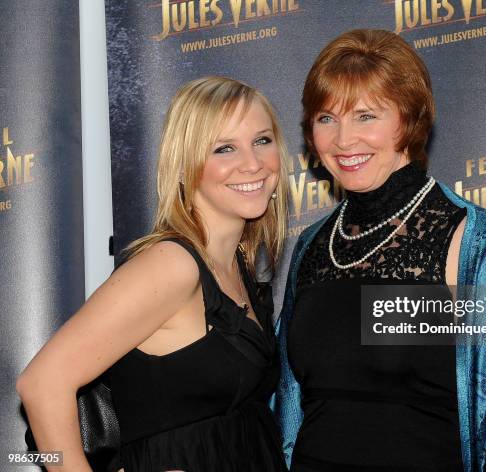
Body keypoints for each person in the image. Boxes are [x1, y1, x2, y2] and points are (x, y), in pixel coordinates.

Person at [274, 29, 486, 471]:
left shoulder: (464, 235)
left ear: (408, 120)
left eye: (366, 116)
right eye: (326, 118)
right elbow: (289, 402)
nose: (343, 139)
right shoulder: (313, 245)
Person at [17, 76, 289, 472]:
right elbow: (39, 385)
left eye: (262, 141)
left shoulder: (237, 265)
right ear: (184, 167)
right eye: (224, 148)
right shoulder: (171, 265)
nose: (252, 163)